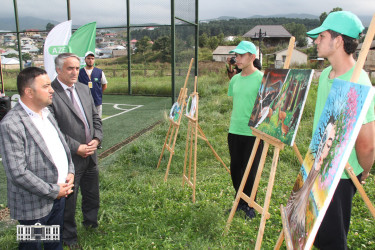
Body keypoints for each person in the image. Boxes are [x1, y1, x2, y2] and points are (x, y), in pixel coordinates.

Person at [306, 11, 375, 249]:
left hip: (341, 177)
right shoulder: (326, 74)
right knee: (316, 233)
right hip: (318, 166)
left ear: (338, 41)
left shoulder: (360, 83)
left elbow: (367, 144)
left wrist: (363, 172)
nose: (316, 41)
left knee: (332, 241)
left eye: (321, 36)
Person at [0, 67, 75, 249]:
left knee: (53, 243)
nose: (52, 90)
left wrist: (70, 170)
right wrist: (52, 190)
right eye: (46, 86)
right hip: (33, 205)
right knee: (31, 246)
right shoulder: (11, 124)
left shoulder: (47, 114)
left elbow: (62, 147)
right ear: (29, 92)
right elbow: (17, 172)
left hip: (59, 198)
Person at [49, 53, 103, 248]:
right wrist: (76, 147)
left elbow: (95, 118)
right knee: (68, 202)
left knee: (92, 194)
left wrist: (97, 139)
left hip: (91, 154)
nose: (74, 72)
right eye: (69, 68)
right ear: (58, 70)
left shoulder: (82, 88)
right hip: (69, 159)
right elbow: (53, 130)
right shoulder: (51, 94)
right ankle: (68, 237)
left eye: (76, 68)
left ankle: (91, 225)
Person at [227, 41, 265, 219]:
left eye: (242, 55)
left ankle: (250, 204)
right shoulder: (234, 79)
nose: (238, 58)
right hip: (234, 130)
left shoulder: (262, 79)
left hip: (253, 133)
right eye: (237, 55)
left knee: (251, 171)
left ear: (252, 57)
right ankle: (239, 202)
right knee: (235, 169)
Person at [286, 120, 336, 248]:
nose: (323, 146)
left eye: (329, 145)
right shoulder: (308, 174)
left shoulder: (321, 191)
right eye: (324, 139)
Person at [78, 51, 108, 118]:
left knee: (98, 119)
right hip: (84, 100)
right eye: (88, 58)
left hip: (97, 100)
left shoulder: (99, 72)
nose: (90, 60)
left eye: (92, 58)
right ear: (85, 59)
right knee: (86, 119)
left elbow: (104, 85)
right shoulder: (80, 72)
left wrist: (99, 93)